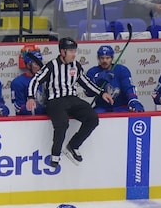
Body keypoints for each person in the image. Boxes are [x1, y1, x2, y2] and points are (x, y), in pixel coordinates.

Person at [26, 37, 112, 167]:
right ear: (62, 52)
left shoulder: (76, 65)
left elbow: (86, 82)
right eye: (71, 51)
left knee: (92, 118)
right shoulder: (51, 66)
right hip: (55, 100)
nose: (73, 54)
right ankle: (55, 155)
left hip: (72, 99)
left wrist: (101, 92)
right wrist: (31, 97)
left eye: (74, 51)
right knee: (62, 123)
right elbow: (36, 80)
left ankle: (73, 145)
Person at [86, 45, 145, 113]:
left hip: (121, 106)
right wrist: (97, 82)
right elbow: (88, 93)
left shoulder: (122, 70)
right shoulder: (92, 72)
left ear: (112, 58)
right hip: (102, 107)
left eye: (107, 58)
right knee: (92, 116)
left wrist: (133, 100)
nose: (104, 61)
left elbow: (128, 87)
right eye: (102, 58)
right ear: (98, 59)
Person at [11, 46, 45, 116]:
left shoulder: (45, 80)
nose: (39, 67)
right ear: (28, 65)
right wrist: (35, 109)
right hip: (25, 122)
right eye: (36, 64)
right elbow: (18, 107)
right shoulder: (18, 82)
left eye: (40, 63)